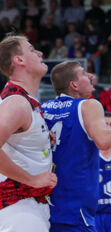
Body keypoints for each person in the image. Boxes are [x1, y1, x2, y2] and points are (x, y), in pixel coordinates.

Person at [43, 61, 111, 232]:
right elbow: (104, 141)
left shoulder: (43, 108)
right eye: (85, 74)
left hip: (47, 204)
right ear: (74, 85)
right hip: (75, 206)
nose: (91, 76)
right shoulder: (88, 104)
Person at [0, 36, 57, 231]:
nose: (40, 53)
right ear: (19, 60)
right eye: (32, 50)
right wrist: (32, 180)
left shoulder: (24, 101)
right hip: (18, 209)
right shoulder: (16, 103)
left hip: (26, 208)